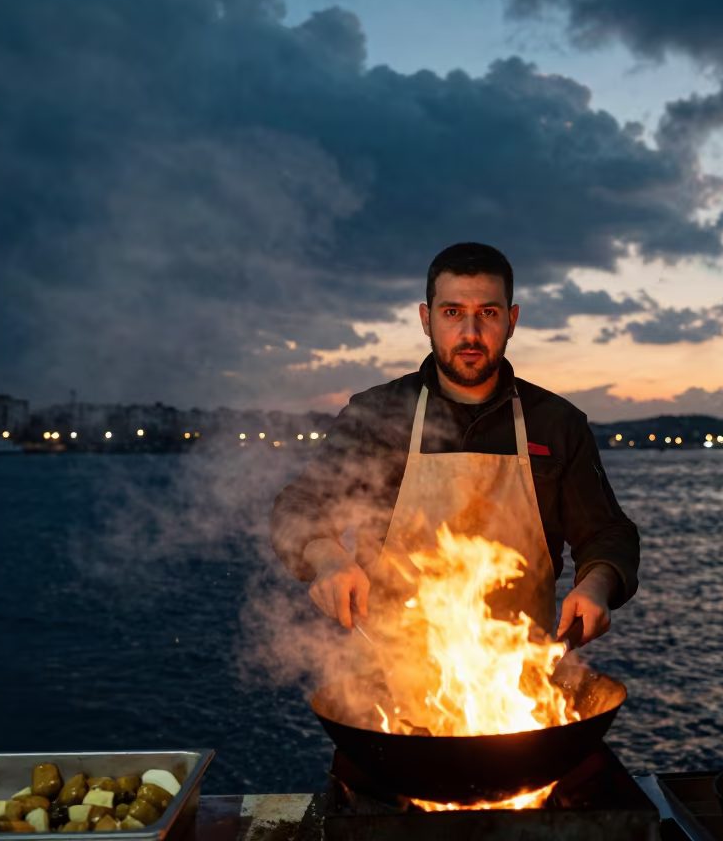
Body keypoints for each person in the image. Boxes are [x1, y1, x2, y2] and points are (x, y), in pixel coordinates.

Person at [270, 242, 639, 647]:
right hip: (385, 668)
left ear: (512, 320)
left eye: (488, 313)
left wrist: (597, 583)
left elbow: (607, 532)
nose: (470, 333)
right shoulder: (374, 417)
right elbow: (300, 504)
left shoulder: (556, 423)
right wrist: (328, 558)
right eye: (452, 313)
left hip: (512, 672)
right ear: (426, 319)